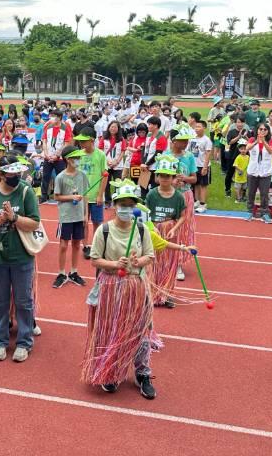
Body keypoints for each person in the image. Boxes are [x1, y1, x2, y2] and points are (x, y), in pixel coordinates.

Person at [82, 180, 157, 399]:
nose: (125, 208)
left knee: (141, 330)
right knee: (110, 328)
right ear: (114, 205)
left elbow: (150, 256)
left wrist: (137, 261)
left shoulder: (141, 229)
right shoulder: (104, 231)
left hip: (136, 287)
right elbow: (95, 260)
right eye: (121, 204)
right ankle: (111, 370)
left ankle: (142, 372)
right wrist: (115, 265)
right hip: (111, 287)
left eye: (129, 204)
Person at [0, 156, 41, 362]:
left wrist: (14, 218)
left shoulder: (25, 191)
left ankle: (24, 342)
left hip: (22, 255)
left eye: (18, 173)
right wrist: (1, 218)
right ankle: (0, 341)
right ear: (2, 173)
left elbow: (34, 223)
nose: (16, 177)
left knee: (24, 301)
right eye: (12, 173)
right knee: (0, 301)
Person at [146, 156, 186, 308]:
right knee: (155, 263)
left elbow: (182, 217)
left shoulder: (178, 197)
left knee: (169, 264)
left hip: (170, 231)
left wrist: (174, 228)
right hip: (155, 230)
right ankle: (154, 293)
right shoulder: (151, 195)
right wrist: (152, 227)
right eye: (161, 175)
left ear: (173, 178)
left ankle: (168, 295)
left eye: (167, 176)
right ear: (157, 177)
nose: (164, 179)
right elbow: (147, 214)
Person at [53, 146, 89, 288]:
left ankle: (74, 272)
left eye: (79, 157)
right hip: (66, 216)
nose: (78, 160)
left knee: (76, 244)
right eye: (75, 158)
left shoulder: (82, 175)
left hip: (79, 216)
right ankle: (61, 273)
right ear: (68, 159)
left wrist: (86, 214)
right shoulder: (60, 177)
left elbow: (85, 195)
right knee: (63, 245)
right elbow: (56, 196)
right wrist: (71, 197)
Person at [75, 127, 108, 244]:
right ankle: (85, 246)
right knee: (83, 222)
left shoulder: (100, 155)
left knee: (97, 222)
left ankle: (96, 245)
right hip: (82, 196)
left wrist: (100, 195)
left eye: (83, 141)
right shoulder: (78, 155)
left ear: (92, 140)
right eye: (80, 141)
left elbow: (104, 175)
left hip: (95, 196)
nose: (81, 143)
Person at [39, 110, 72, 203]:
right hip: (48, 157)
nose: (52, 118)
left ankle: (61, 196)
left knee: (60, 177)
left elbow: (66, 143)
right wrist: (46, 153)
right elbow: (44, 141)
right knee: (45, 176)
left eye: (54, 116)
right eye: (51, 116)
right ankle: (44, 196)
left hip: (59, 158)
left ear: (59, 117)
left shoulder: (65, 128)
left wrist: (57, 155)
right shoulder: (48, 126)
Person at [246, 124, 272, 223]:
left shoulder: (271, 140)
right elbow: (247, 148)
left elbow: (271, 151)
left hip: (265, 172)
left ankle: (264, 213)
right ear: (257, 130)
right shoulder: (251, 139)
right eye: (260, 129)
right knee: (251, 192)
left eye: (265, 129)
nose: (262, 131)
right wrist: (256, 142)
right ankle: (250, 212)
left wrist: (264, 142)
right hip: (253, 171)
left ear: (267, 131)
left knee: (264, 194)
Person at [99, 121, 126, 206]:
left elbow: (123, 151)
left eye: (115, 127)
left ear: (118, 129)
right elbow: (101, 150)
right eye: (111, 127)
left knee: (118, 183)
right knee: (106, 183)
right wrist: (107, 161)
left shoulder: (121, 139)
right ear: (108, 127)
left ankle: (116, 200)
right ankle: (107, 201)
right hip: (107, 164)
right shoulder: (104, 138)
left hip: (118, 165)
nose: (113, 128)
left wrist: (117, 161)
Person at [190, 120, 213, 213]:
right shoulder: (192, 138)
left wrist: (205, 167)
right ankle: (196, 201)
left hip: (202, 165)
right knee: (196, 184)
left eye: (199, 127)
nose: (196, 129)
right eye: (196, 127)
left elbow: (208, 153)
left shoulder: (206, 140)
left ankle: (203, 204)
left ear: (204, 128)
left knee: (203, 185)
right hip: (194, 165)